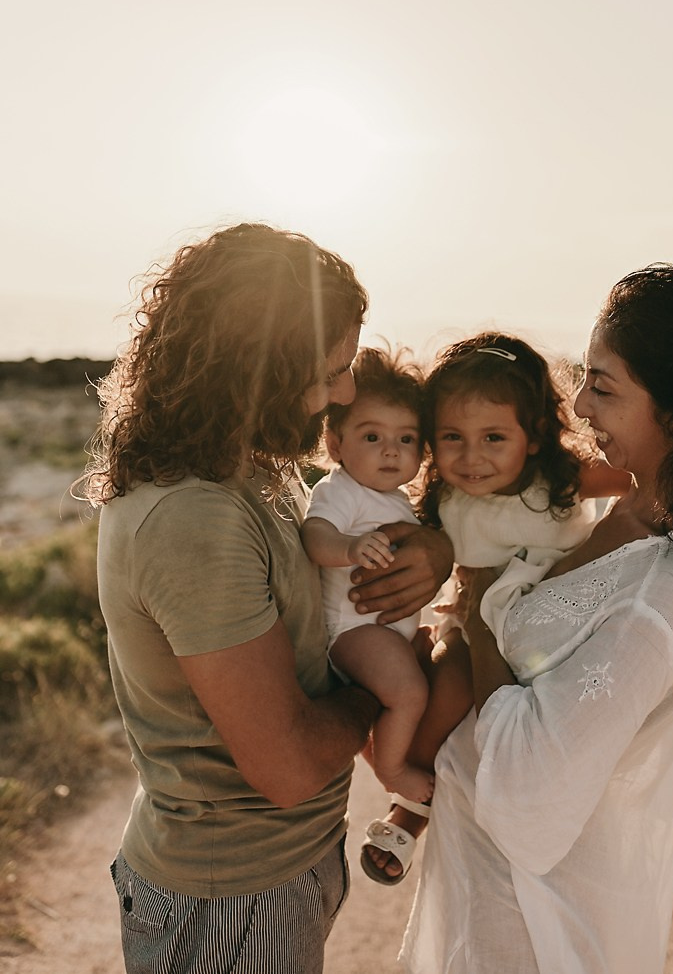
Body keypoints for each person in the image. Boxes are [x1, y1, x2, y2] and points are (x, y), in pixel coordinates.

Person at [400, 265, 673, 974]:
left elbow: (527, 801)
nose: (580, 405)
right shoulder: (626, 512)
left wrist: (484, 612)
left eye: (604, 388)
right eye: (583, 378)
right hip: (475, 905)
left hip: (532, 935)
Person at [80, 222, 452, 974]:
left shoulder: (249, 462)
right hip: (230, 900)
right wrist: (379, 696)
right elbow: (283, 765)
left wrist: (435, 550)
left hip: (275, 872)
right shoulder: (195, 517)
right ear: (263, 364)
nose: (345, 392)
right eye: (330, 372)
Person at [362, 332, 629, 884]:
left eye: (493, 437)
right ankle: (412, 810)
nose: (471, 456)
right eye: (453, 437)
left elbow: (639, 481)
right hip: (475, 620)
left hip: (556, 622)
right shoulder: (444, 502)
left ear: (532, 437)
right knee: (446, 686)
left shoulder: (556, 483)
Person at [301, 345, 434, 805]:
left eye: (406, 439)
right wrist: (350, 548)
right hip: (352, 631)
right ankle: (391, 770)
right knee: (409, 691)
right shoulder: (344, 491)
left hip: (383, 632)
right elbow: (314, 537)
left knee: (428, 675)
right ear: (336, 445)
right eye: (372, 437)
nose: (391, 451)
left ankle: (392, 751)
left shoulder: (399, 501)